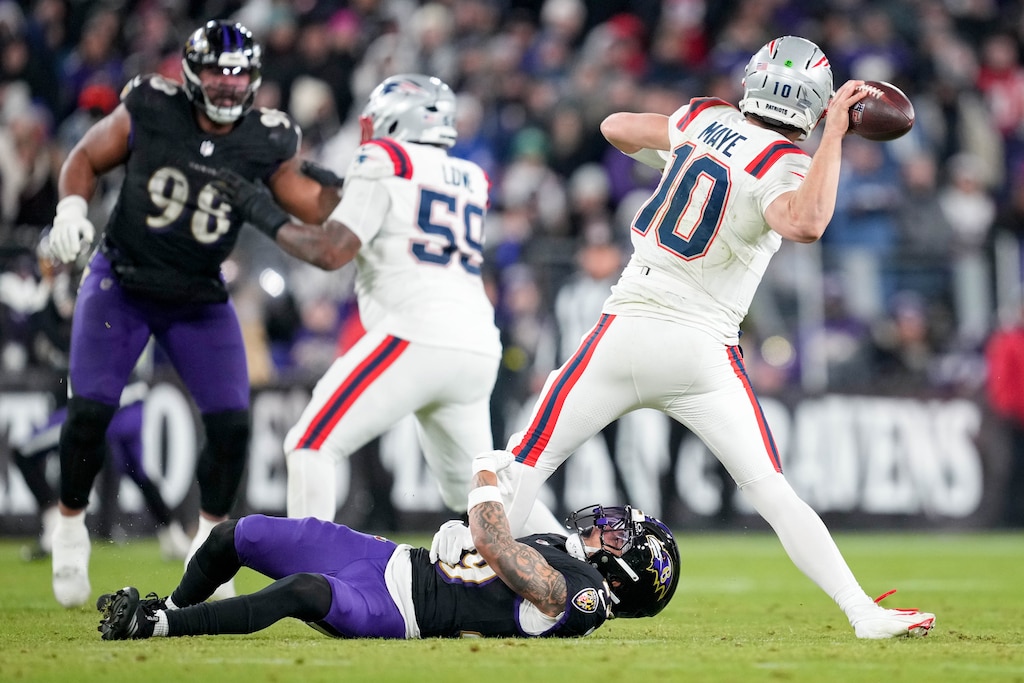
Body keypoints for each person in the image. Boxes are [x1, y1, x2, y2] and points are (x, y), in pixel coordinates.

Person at [488, 36, 936, 639]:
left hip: (628, 327)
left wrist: (682, 151)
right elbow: (805, 222)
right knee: (773, 492)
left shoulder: (704, 117)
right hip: (703, 350)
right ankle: (863, 612)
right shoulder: (787, 163)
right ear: (814, 103)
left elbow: (615, 125)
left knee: (525, 460)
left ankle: (470, 583)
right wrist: (834, 135)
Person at [46, 20, 346, 608]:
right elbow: (85, 155)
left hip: (198, 294)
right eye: (216, 71)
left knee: (232, 423)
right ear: (190, 73)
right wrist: (71, 209)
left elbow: (312, 208)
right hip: (123, 281)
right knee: (89, 412)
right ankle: (69, 525)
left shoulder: (265, 138)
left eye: (238, 74)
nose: (228, 85)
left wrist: (359, 191)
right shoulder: (153, 106)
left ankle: (209, 542)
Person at [216, 73, 561, 533]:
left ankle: (309, 583)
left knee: (310, 444)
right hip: (475, 344)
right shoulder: (470, 177)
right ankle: (572, 559)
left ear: (397, 122)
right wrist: (346, 188)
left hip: (418, 333)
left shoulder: (384, 158)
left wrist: (259, 209)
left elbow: (331, 251)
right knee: (476, 490)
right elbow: (399, 207)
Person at [94, 451, 680, 641]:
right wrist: (460, 533)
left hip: (401, 611)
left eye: (617, 535)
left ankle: (156, 629)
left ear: (627, 569)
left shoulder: (583, 599)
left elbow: (501, 552)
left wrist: (482, 487)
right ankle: (166, 605)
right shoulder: (565, 551)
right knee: (236, 536)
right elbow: (484, 553)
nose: (604, 529)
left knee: (300, 592)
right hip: (393, 560)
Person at [13, 383, 191, 562]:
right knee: (138, 472)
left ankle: (55, 523)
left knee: (24, 451)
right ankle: (173, 536)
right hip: (134, 405)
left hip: (100, 403)